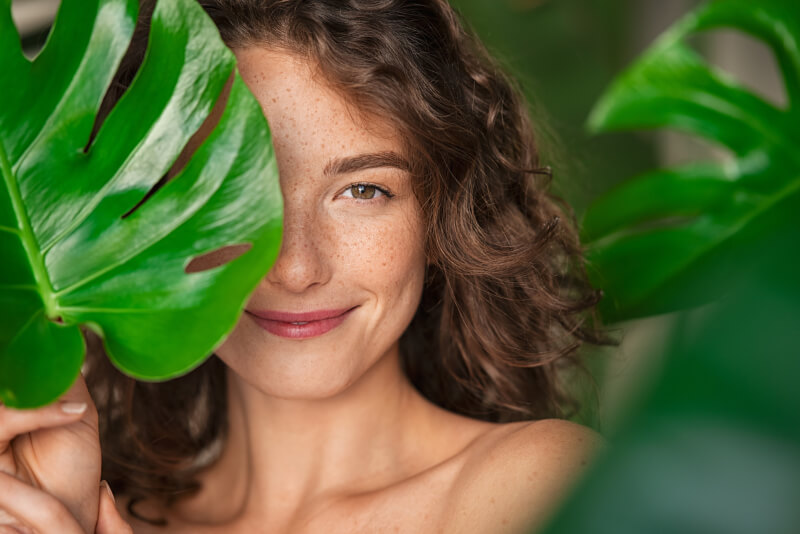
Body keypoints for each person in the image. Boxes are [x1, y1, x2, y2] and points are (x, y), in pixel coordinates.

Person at [0, 0, 608, 532]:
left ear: (440, 215)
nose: (295, 268)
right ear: (149, 218)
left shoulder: (543, 487)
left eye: (363, 191)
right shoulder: (80, 517)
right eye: (234, 197)